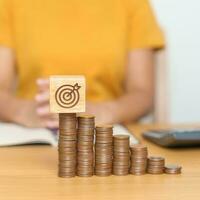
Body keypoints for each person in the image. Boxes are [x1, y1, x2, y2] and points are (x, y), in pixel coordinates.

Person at [0, 0, 164, 128]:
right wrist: (23, 112)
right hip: (33, 132)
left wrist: (104, 112)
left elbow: (142, 93)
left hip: (108, 131)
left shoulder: (133, 3)